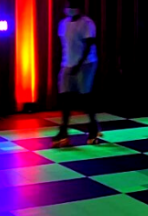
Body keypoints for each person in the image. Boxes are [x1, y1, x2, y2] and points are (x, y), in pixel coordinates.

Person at [53, 0, 101, 148]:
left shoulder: (87, 23)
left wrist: (79, 65)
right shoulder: (63, 23)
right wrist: (65, 64)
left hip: (86, 63)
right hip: (67, 63)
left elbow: (89, 45)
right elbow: (64, 45)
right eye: (68, 6)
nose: (70, 9)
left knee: (85, 97)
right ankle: (63, 131)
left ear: (79, 8)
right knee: (65, 96)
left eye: (73, 6)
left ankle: (93, 127)